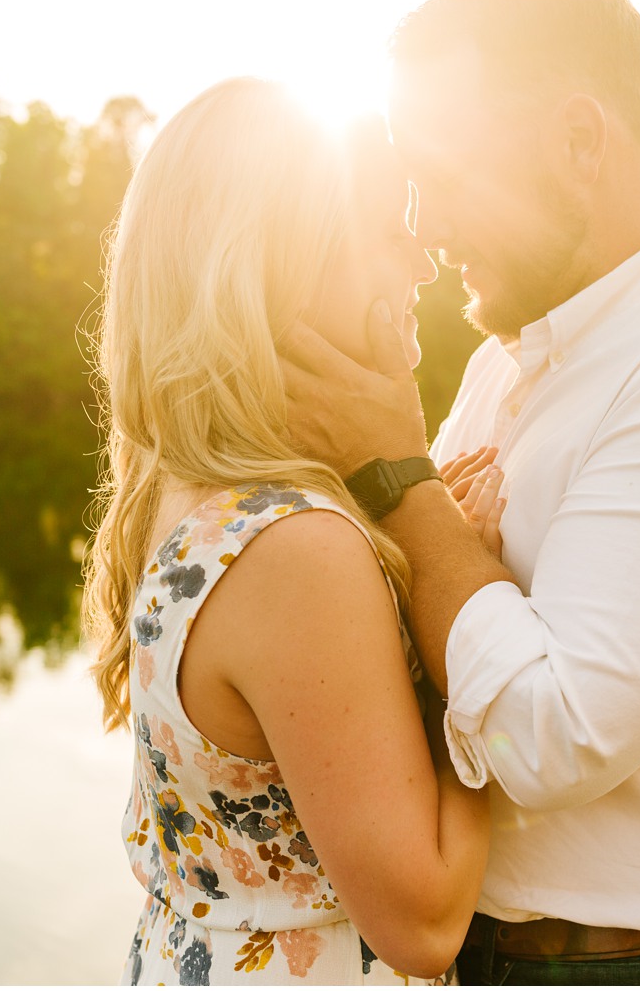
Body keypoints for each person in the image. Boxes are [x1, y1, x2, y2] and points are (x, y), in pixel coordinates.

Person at [278, 0, 640, 985]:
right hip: (479, 956)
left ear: (581, 139)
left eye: (444, 173)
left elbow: (547, 741)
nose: (424, 224)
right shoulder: (507, 364)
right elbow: (429, 626)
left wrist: (402, 480)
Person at [81, 78, 503, 985]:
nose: (424, 264)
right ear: (286, 266)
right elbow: (425, 922)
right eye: (393, 233)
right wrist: (481, 618)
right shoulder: (297, 549)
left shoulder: (181, 485)